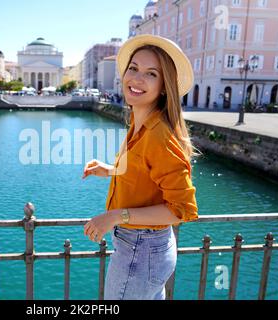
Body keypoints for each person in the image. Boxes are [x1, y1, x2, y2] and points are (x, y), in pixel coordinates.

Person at [82, 34, 199, 300]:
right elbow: (143, 171)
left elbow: (180, 210)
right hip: (144, 249)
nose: (136, 78)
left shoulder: (159, 135)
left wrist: (113, 216)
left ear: (164, 86)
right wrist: (111, 169)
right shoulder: (141, 122)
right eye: (133, 68)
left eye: (150, 73)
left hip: (140, 250)